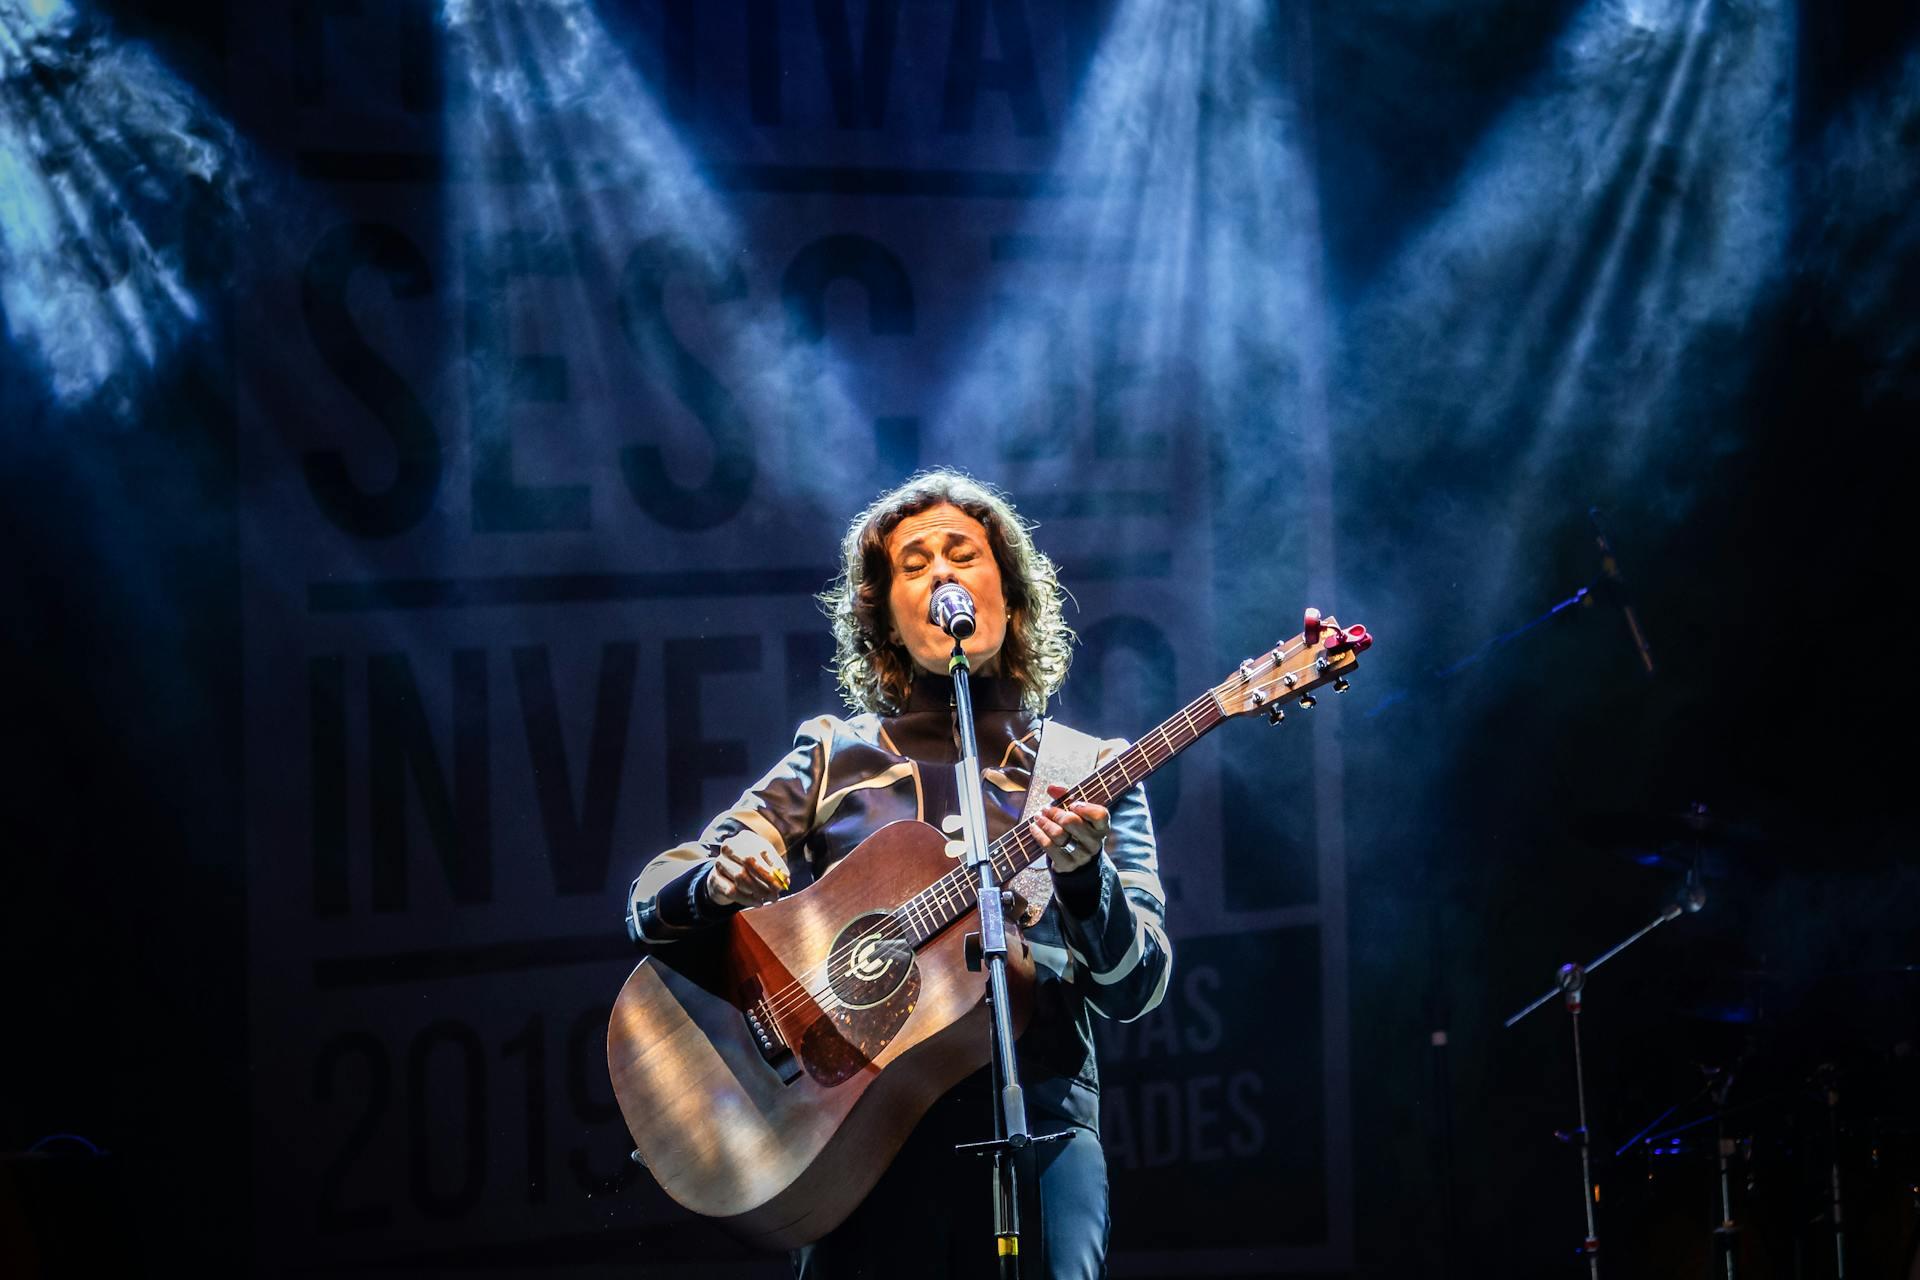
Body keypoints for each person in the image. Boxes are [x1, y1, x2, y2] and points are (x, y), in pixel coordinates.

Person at [624, 470, 1172, 1279]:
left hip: (1043, 1127)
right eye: (914, 564)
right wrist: (719, 880)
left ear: (1011, 598)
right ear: (886, 623)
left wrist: (1086, 881)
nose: (943, 573)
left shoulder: (1090, 769)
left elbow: (1139, 987)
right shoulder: (832, 753)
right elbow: (650, 898)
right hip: (849, 1133)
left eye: (963, 553)